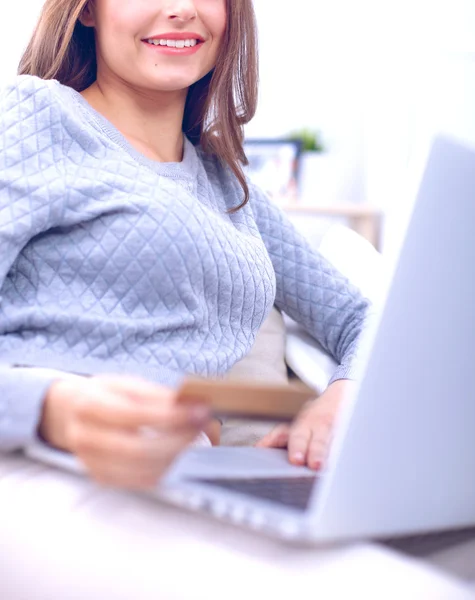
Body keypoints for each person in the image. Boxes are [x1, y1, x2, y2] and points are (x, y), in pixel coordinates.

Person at [0, 0, 371, 491]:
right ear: (87, 10)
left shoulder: (228, 185)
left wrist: (343, 397)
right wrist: (54, 408)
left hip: (184, 478)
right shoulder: (33, 116)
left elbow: (360, 320)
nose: (180, 8)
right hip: (43, 463)